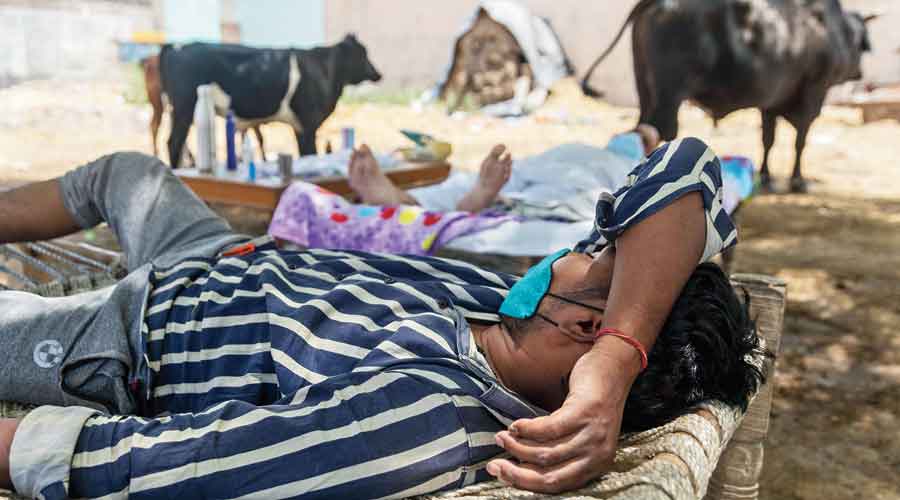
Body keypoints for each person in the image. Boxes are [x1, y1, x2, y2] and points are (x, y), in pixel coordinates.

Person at [0, 135, 760, 499]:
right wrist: (619, 356)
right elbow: (686, 168)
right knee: (127, 173)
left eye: (593, 259)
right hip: (229, 254)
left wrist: (17, 449)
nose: (575, 251)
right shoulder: (525, 320)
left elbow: (184, 469)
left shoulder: (425, 415)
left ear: (581, 327)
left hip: (135, 337)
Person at [348, 125, 661, 215]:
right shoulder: (586, 148)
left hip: (578, 177)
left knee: (578, 193)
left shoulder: (634, 163)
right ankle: (398, 197)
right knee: (489, 179)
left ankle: (480, 199)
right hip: (552, 166)